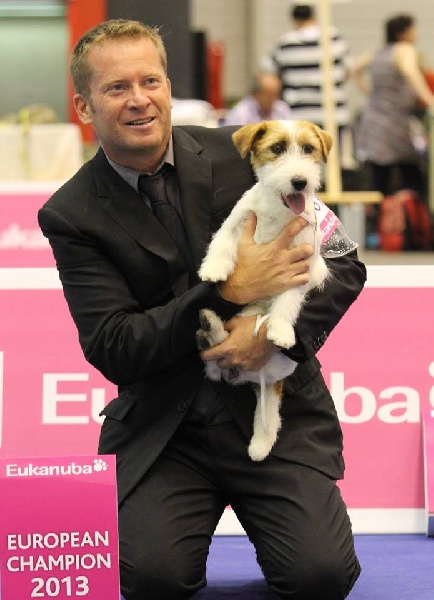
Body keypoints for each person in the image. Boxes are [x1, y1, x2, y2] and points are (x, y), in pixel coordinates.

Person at [38, 18, 366, 600]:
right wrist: (227, 293)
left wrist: (270, 335)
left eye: (150, 81)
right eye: (116, 88)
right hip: (166, 431)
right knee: (152, 581)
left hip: (275, 412)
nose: (139, 99)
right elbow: (115, 345)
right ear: (84, 107)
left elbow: (344, 265)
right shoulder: (71, 214)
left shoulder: (250, 150)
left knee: (321, 578)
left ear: (169, 87)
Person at [355, 13, 434, 198]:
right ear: (403, 33)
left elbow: (353, 68)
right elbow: (410, 71)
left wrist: (369, 92)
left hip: (373, 121)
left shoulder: (379, 52)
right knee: (411, 173)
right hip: (395, 122)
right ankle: (412, 213)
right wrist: (430, 99)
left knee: (379, 175)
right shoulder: (405, 49)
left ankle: (378, 213)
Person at [261, 4, 351, 132]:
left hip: (299, 115)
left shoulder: (286, 43)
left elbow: (267, 74)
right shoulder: (334, 38)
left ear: (294, 19)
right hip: (333, 113)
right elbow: (348, 70)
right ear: (313, 16)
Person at [223, 71, 291, 126]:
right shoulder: (241, 113)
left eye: (276, 94)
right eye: (269, 95)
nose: (273, 99)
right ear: (255, 94)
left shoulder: (282, 108)